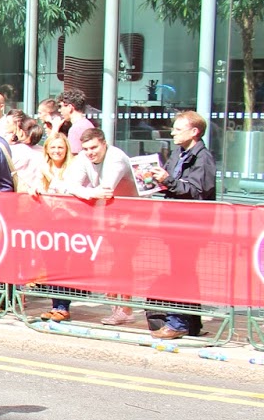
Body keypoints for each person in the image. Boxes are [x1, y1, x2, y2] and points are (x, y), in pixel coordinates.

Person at [37, 129, 136, 324]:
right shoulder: (83, 157)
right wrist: (90, 193)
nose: (90, 152)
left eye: (94, 148)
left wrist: (85, 191)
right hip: (109, 214)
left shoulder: (116, 158)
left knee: (123, 261)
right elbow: (69, 186)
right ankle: (117, 306)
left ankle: (125, 309)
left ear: (104, 144)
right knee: (114, 261)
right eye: (86, 148)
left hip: (132, 215)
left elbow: (106, 188)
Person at [143, 111, 217, 339]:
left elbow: (197, 192)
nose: (172, 132)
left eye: (177, 128)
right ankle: (191, 323)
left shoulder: (203, 158)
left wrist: (169, 180)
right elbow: (174, 185)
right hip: (174, 223)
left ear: (194, 132)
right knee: (183, 272)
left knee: (182, 273)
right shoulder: (178, 153)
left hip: (191, 227)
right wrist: (157, 181)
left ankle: (177, 323)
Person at [58, 88, 93, 154]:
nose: (59, 110)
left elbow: (73, 155)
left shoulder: (75, 129)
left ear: (70, 107)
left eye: (61, 106)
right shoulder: (87, 124)